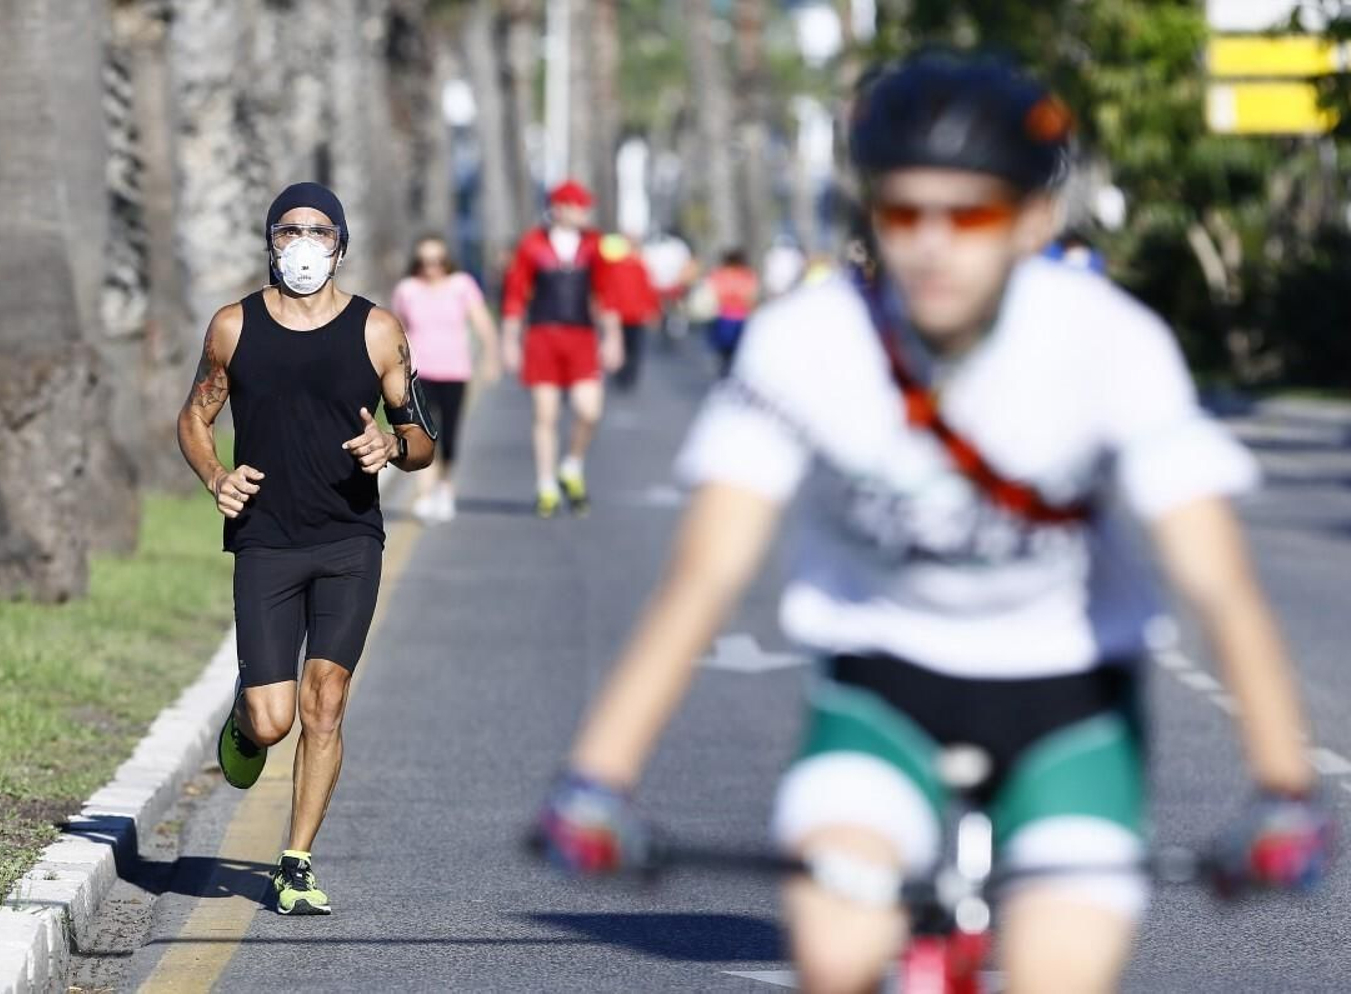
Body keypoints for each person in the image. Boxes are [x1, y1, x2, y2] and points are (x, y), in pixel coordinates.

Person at [537, 53, 1331, 992]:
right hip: (883, 689)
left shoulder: (1111, 345)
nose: (933, 245)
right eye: (904, 212)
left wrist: (1285, 790)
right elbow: (704, 574)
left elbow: (1217, 582)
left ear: (1033, 219)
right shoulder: (806, 342)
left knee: (1057, 972)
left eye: (972, 215)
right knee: (836, 949)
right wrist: (598, 777)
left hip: (1068, 700)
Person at [176, 181, 436, 916]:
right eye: (288, 231)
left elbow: (420, 439)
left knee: (326, 703)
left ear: (340, 245)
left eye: (319, 231)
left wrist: (392, 445)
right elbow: (195, 418)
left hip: (350, 538)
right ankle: (243, 718)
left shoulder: (379, 330)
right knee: (273, 721)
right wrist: (216, 478)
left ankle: (294, 861)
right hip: (266, 539)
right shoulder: (233, 327)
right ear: (269, 243)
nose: (303, 243)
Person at [500, 180, 625, 518]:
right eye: (577, 206)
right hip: (542, 335)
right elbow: (515, 295)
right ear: (558, 208)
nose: (584, 212)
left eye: (585, 206)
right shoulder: (532, 245)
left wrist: (613, 337)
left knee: (590, 410)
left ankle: (571, 465)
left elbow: (605, 293)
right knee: (546, 414)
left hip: (582, 336)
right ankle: (546, 485)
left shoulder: (594, 245)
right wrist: (510, 340)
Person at [390, 234, 501, 524]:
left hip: (454, 370)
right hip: (418, 373)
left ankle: (445, 487)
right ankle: (425, 494)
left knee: (449, 434)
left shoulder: (461, 286)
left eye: (438, 261)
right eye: (425, 262)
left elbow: (482, 323)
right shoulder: (407, 289)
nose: (431, 268)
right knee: (423, 432)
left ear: (446, 262)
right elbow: (393, 330)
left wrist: (491, 357)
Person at [595, 232, 661, 393]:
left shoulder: (634, 266)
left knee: (630, 348)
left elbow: (647, 290)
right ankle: (625, 375)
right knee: (629, 348)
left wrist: (652, 310)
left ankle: (625, 375)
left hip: (630, 315)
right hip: (626, 315)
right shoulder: (621, 266)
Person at [703, 248, 759, 375]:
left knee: (723, 351)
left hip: (722, 317)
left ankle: (725, 370)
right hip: (741, 318)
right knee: (738, 351)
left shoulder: (719, 274)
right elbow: (750, 297)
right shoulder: (747, 275)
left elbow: (713, 294)